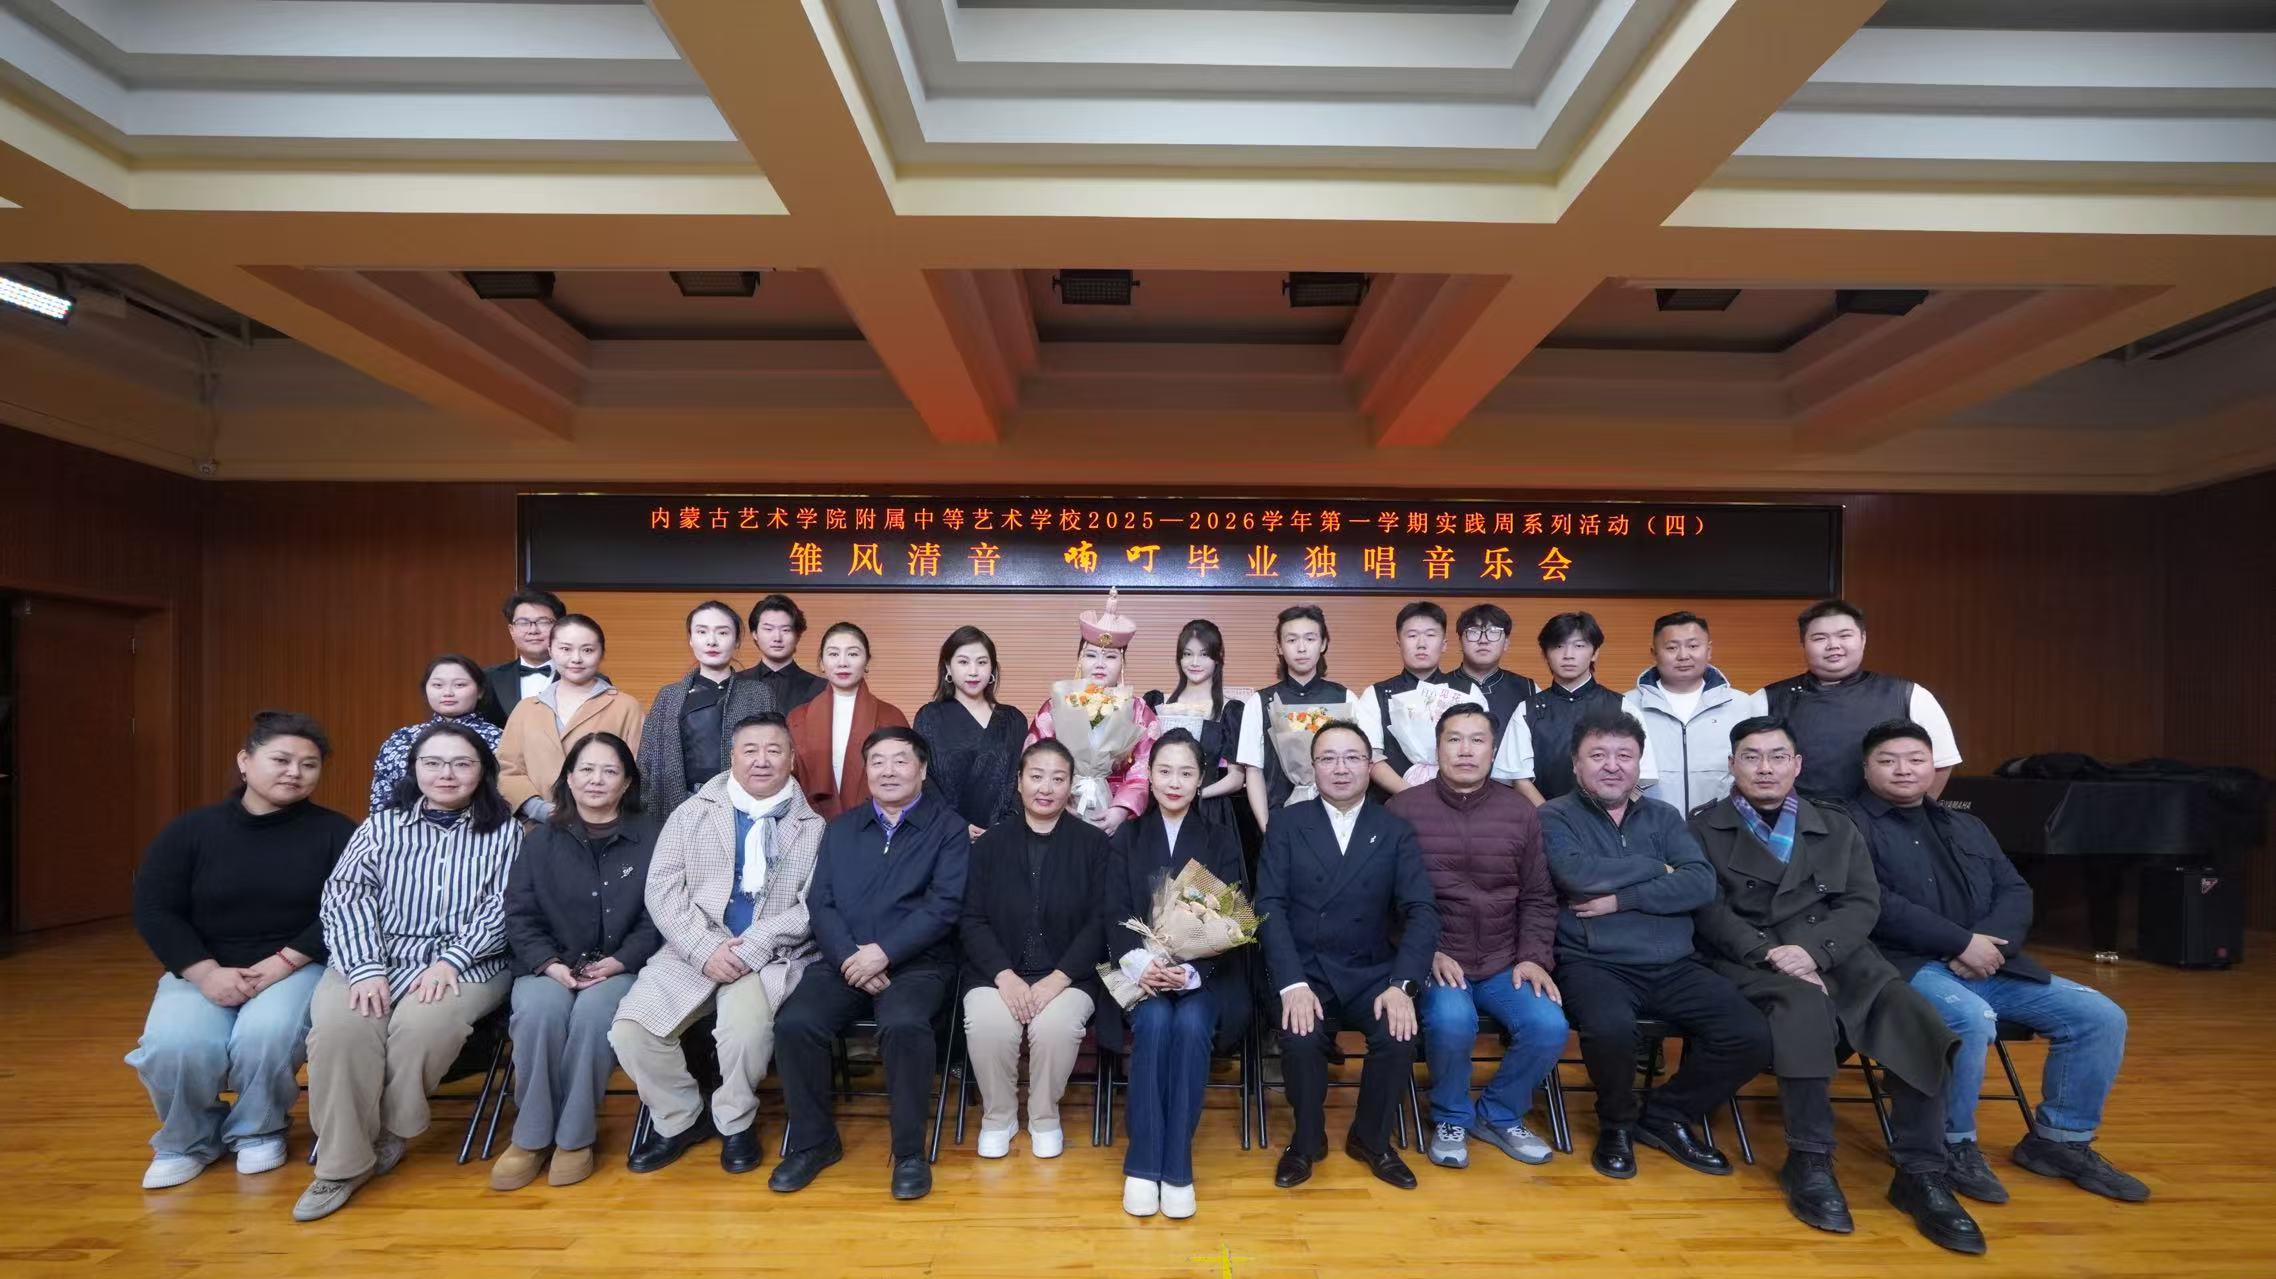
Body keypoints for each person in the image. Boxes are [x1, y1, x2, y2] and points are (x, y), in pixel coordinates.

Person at [1689, 716, 1985, 1253]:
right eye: (1751, 756)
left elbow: (1862, 902)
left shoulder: (1834, 824)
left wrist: (1814, 951)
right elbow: (1709, 909)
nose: (1765, 768)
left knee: (1912, 1014)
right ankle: (1810, 1159)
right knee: (1802, 1009)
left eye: (1778, 756)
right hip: (1754, 959)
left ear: (1797, 765)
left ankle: (1922, 1171)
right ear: (1732, 765)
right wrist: (1773, 955)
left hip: (1839, 955)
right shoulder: (1703, 827)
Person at [1854, 719, 2148, 1205]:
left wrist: (1991, 948)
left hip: (1991, 963)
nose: (1903, 769)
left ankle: (2060, 1141)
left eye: (1915, 759)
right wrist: (1960, 943)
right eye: (1888, 761)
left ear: (1934, 766)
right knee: (1968, 1019)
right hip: (1904, 965)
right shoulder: (1848, 825)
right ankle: (1952, 1145)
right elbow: (1874, 902)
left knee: (2100, 1016)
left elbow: (2014, 889)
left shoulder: (1966, 824)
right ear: (1866, 769)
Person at [295, 722, 519, 1221]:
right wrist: (365, 966)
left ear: (483, 771)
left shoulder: (505, 832)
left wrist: (451, 960)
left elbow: (503, 908)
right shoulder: (380, 827)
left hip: (468, 961)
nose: (446, 774)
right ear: (414, 768)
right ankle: (341, 1166)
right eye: (433, 763)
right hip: (373, 955)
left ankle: (389, 1131)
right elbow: (345, 897)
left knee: (423, 1026)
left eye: (462, 764)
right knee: (340, 1031)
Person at [128, 711, 354, 1189]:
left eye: (309, 764)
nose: (294, 772)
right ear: (244, 761)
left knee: (266, 1035)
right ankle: (187, 1140)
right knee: (176, 1045)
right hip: (203, 964)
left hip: (296, 963)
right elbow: (155, 908)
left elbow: (348, 908)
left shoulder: (337, 832)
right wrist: (204, 972)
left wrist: (282, 962)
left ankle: (258, 1129)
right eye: (281, 760)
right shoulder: (191, 831)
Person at [1540, 707, 1767, 1181]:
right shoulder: (1553, 815)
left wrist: (1622, 899)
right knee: (1610, 1030)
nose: (1612, 765)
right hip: (1594, 962)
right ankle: (1617, 1124)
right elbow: (1575, 874)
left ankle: (1666, 1114)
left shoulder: (1663, 816)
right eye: (1597, 755)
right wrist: (1657, 868)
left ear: (1639, 763)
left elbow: (1700, 883)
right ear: (1576, 764)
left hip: (1674, 963)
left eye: (1624, 755)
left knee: (1750, 1034)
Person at [611, 713, 828, 1176]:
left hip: (766, 956)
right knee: (630, 1032)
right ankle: (681, 1117)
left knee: (744, 1034)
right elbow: (662, 889)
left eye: (774, 750)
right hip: (691, 950)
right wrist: (704, 948)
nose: (762, 760)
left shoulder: (813, 826)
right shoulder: (693, 813)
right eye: (750, 750)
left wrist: (751, 947)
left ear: (792, 759)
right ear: (732, 757)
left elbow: (813, 907)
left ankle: (735, 1121)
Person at [770, 726, 968, 1202]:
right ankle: (815, 1142)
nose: (888, 771)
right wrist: (850, 957)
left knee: (904, 1025)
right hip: (845, 959)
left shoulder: (948, 829)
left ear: (922, 769)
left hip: (918, 963)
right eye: (877, 761)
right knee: (795, 1023)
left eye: (901, 760)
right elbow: (821, 902)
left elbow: (944, 906)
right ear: (866, 771)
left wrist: (885, 953)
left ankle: (909, 1153)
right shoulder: (841, 828)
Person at [1256, 721, 1440, 1191]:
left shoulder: (1394, 829)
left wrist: (1403, 985)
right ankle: (1306, 1140)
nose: (1341, 768)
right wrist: (1291, 983)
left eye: (1352, 758)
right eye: (1328, 758)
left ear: (1369, 765)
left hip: (1372, 970)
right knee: (1299, 1037)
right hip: (1306, 970)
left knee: (1398, 1033)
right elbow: (1269, 907)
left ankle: (1371, 1139)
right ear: (1312, 767)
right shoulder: (1286, 824)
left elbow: (1421, 911)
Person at [1387, 703, 1565, 1171]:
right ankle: (1450, 1117)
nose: (1465, 750)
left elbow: (1539, 896)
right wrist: (1425, 952)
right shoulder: (1403, 808)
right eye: (1454, 739)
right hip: (1438, 958)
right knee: (1452, 1021)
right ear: (1438, 748)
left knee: (1548, 1025)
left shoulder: (1520, 812)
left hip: (1506, 959)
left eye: (1477, 740)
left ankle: (1498, 1113)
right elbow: (1383, 899)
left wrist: (1533, 957)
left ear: (1493, 750)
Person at [490, 732, 662, 1191]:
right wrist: (549, 964)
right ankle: (530, 1138)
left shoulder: (652, 837)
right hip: (548, 965)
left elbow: (657, 916)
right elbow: (519, 914)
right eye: (586, 769)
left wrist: (620, 961)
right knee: (539, 1015)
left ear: (627, 782)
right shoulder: (541, 840)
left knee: (591, 1018)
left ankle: (574, 1138)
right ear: (568, 778)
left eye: (609, 771)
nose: (596, 779)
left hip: (621, 967)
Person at [1102, 729, 1252, 1219]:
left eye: (1186, 773)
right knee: (1153, 1022)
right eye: (1164, 771)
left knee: (1189, 1023)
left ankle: (1177, 1162)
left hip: (1204, 973)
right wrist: (1141, 963)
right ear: (1148, 775)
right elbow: (1113, 910)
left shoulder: (1220, 839)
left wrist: (1190, 969)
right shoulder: (1128, 837)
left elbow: (1232, 915)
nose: (1174, 782)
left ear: (1200, 780)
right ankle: (1144, 1164)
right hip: (1138, 971)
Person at [959, 740, 1106, 1162]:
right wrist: (1004, 976)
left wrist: (1058, 980)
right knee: (988, 1024)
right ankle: (999, 1116)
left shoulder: (1094, 844)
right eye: (1036, 776)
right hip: (996, 972)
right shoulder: (989, 844)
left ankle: (1043, 1116)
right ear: (1019, 782)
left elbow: (1101, 922)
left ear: (1071, 785)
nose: (1046, 787)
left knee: (1055, 1028)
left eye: (1058, 779)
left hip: (1069, 975)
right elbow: (971, 919)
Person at [1758, 599, 1962, 803]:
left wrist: (1912, 815)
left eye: (1845, 635)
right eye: (1820, 638)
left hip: (1884, 819)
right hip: (1797, 818)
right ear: (1803, 644)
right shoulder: (1768, 698)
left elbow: (1942, 763)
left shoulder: (1909, 694)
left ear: (1863, 639)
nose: (1833, 645)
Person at [1027, 589, 1157, 836]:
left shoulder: (1139, 711)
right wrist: (1057, 800)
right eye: (1091, 655)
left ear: (1122, 664)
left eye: (1110, 657)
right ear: (1079, 660)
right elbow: (1036, 759)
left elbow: (1145, 767)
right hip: (1060, 809)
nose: (1100, 664)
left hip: (1116, 814)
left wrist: (1121, 809)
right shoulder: (1056, 706)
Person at [637, 600, 781, 818]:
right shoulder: (669, 696)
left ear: (737, 641)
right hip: (679, 805)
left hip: (745, 806)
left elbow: (776, 755)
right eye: (702, 632)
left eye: (722, 633)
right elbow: (646, 763)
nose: (711, 641)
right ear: (691, 639)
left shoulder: (758, 693)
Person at [498, 614, 645, 823]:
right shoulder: (526, 709)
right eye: (565, 649)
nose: (576, 658)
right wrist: (539, 809)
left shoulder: (625, 706)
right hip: (536, 827)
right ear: (550, 650)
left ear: (602, 653)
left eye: (587, 650)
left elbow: (639, 769)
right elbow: (507, 769)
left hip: (606, 825)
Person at [1501, 611, 1654, 805]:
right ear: (1544, 654)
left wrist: (1608, 817)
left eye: (1579, 646)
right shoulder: (1527, 709)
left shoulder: (1622, 706)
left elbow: (1640, 776)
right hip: (1545, 818)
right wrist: (1552, 817)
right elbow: (1519, 778)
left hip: (1610, 818)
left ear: (1595, 652)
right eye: (1558, 646)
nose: (1568, 655)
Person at [1143, 619, 1264, 840]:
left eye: (1204, 654)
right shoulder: (1156, 702)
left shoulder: (1231, 710)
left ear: (1218, 658)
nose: (1195, 662)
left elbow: (1236, 778)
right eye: (1187, 654)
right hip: (1158, 810)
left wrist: (1195, 793)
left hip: (1210, 811)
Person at [1623, 611, 1752, 816]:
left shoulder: (1742, 704)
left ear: (1708, 650)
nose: (1683, 656)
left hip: (1723, 825)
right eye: (1671, 648)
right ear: (1654, 653)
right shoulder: (1627, 705)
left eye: (1693, 646)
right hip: (1649, 824)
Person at [786, 621, 908, 820]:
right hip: (811, 824)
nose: (842, 662)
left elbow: (906, 779)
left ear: (866, 661)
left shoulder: (891, 715)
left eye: (853, 654)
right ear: (821, 663)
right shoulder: (798, 718)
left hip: (876, 823)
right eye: (833, 654)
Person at [914, 626, 1026, 839]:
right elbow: (923, 779)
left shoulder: (1014, 719)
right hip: (946, 836)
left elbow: (1021, 779)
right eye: (963, 662)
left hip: (1004, 837)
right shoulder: (929, 716)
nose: (973, 671)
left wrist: (1004, 826)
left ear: (992, 668)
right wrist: (956, 825)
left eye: (982, 662)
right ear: (948, 667)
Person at [1251, 604, 1355, 829]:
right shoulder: (1260, 701)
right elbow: (1253, 770)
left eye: (1310, 639)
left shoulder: (1344, 697)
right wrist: (1266, 827)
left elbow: (1359, 762)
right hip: (1279, 816)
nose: (1301, 648)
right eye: (1291, 640)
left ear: (1323, 644)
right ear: (1279, 647)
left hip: (1338, 819)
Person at [1355, 601, 1468, 800]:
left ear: (1444, 644)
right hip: (1391, 802)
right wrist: (1413, 797)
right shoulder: (1376, 694)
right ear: (1399, 644)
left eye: (1430, 635)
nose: (1421, 644)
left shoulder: (1467, 691)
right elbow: (1370, 757)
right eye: (1412, 635)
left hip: (1457, 801)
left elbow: (1478, 750)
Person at [372, 655, 505, 814]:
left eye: (459, 685)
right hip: (404, 827)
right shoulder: (401, 738)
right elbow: (381, 800)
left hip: (482, 825)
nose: (447, 692)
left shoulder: (501, 739)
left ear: (480, 691)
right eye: (438, 685)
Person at [1443, 603, 1537, 758]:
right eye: (1474, 632)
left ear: (1506, 643)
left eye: (1494, 632)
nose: (1483, 640)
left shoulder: (1528, 689)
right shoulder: (1438, 687)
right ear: (1460, 642)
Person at [481, 588, 566, 728]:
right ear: (511, 630)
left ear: (560, 628)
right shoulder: (487, 679)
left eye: (543, 622)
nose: (533, 630)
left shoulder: (588, 680)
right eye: (523, 622)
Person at [745, 593, 828, 712]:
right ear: (754, 634)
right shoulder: (735, 682)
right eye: (768, 629)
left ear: (798, 635)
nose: (777, 638)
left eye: (785, 630)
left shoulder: (820, 687)